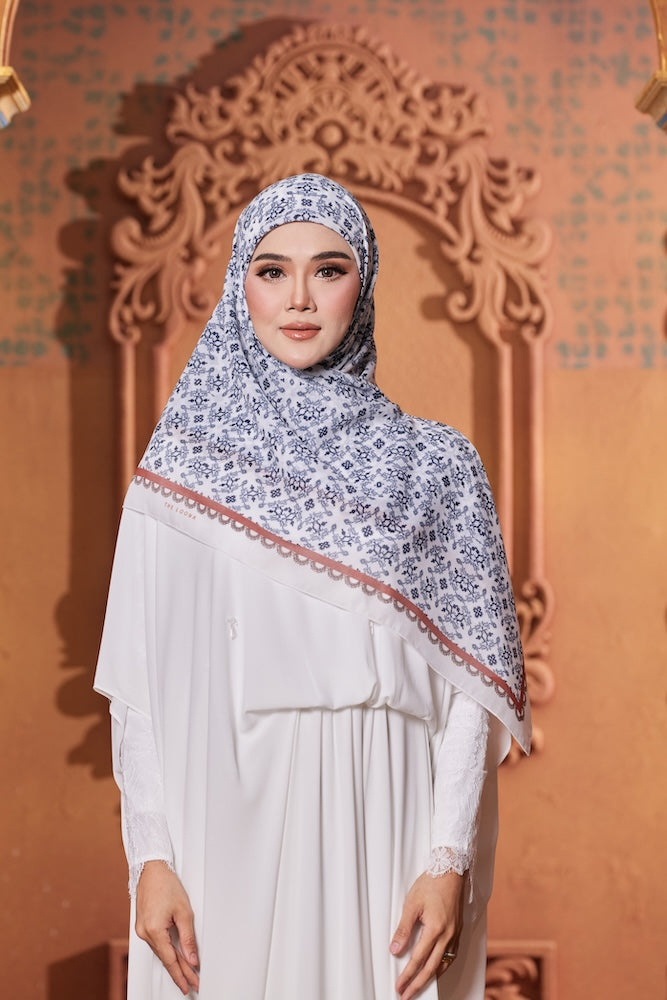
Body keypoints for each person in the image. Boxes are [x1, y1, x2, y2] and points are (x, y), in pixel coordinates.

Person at [94, 173, 530, 1000]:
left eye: (329, 270)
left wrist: (447, 859)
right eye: (271, 271)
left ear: (363, 286)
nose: (299, 298)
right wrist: (149, 857)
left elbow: (469, 694)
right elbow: (136, 686)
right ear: (240, 286)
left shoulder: (437, 466)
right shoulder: (182, 471)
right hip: (224, 813)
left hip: (388, 807)